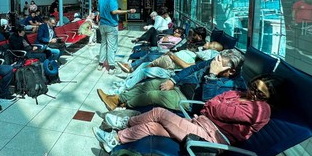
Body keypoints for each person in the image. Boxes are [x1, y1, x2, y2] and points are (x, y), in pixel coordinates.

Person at [93, 75, 279, 153]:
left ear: (268, 98)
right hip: (201, 124)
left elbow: (221, 109)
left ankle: (124, 123)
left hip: (212, 140)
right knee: (153, 126)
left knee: (158, 112)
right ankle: (115, 141)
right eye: (254, 87)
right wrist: (214, 108)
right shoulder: (238, 93)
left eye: (260, 94)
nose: (254, 93)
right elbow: (212, 103)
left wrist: (214, 108)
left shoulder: (261, 110)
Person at [97, 49, 245, 111]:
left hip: (191, 101)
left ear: (231, 70)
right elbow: (192, 68)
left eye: (219, 64)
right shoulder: (216, 61)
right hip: (182, 86)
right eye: (215, 60)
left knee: (154, 95)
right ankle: (117, 99)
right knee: (151, 84)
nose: (214, 63)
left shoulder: (234, 86)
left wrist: (212, 75)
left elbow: (208, 101)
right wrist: (173, 80)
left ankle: (125, 104)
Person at [97, 0, 136, 74]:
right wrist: (128, 11)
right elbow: (114, 11)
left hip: (102, 25)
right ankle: (111, 67)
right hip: (111, 25)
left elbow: (98, 13)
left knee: (103, 44)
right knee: (111, 46)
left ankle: (100, 64)